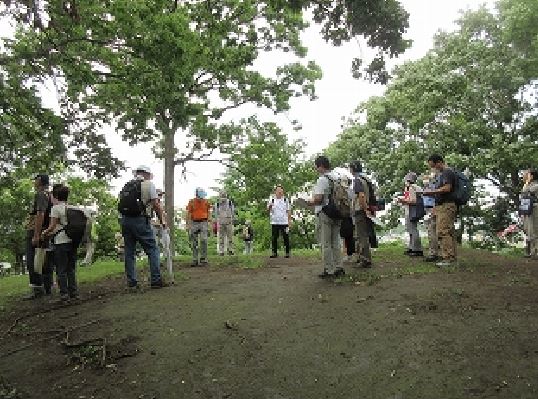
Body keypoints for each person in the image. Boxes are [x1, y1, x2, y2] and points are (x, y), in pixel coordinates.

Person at [118, 165, 166, 288]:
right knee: (152, 249)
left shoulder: (127, 185)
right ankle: (156, 280)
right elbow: (156, 204)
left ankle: (132, 283)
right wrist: (162, 221)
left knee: (129, 251)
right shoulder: (148, 184)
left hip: (125, 220)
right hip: (140, 220)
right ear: (146, 174)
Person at [307, 156, 344, 278]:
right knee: (336, 241)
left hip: (326, 213)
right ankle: (339, 267)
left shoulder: (322, 179)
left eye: (316, 166)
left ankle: (329, 269)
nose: (316, 169)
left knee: (326, 243)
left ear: (321, 166)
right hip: (338, 212)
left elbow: (319, 199)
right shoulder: (337, 178)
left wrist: (308, 202)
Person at [41, 185, 79, 303]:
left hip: (60, 241)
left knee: (61, 269)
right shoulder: (72, 207)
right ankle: (74, 293)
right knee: (71, 269)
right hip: (72, 241)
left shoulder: (55, 209)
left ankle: (64, 294)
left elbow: (52, 226)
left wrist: (44, 233)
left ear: (56, 196)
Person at [423, 154, 457, 267]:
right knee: (447, 231)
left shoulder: (447, 172)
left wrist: (430, 192)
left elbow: (447, 188)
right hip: (440, 206)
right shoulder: (442, 174)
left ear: (439, 162)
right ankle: (450, 256)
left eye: (433, 166)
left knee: (443, 231)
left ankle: (448, 259)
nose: (433, 169)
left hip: (446, 206)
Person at [23, 174, 53, 299]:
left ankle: (37, 289)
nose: (34, 182)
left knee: (32, 261)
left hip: (37, 231)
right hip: (45, 231)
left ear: (39, 181)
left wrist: (36, 235)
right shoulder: (49, 195)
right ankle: (47, 287)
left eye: (35, 180)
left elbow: (40, 214)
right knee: (43, 260)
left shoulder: (41, 194)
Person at [349, 161, 373, 268]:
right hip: (367, 209)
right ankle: (362, 257)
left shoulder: (358, 180)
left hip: (360, 210)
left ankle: (365, 259)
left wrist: (364, 208)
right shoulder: (366, 179)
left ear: (353, 169)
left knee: (361, 235)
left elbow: (361, 195)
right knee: (363, 234)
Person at [397, 172, 424, 257]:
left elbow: (413, 200)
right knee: (411, 229)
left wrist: (402, 201)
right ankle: (412, 247)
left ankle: (417, 249)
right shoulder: (415, 187)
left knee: (413, 230)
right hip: (411, 210)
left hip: (411, 211)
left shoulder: (411, 187)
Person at [186, 187, 211, 266]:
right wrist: (188, 224)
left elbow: (209, 212)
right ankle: (195, 259)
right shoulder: (192, 202)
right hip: (194, 222)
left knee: (204, 240)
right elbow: (189, 213)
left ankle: (203, 259)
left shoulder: (206, 202)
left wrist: (209, 222)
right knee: (194, 242)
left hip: (204, 222)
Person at [268, 185, 291, 258]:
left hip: (284, 222)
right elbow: (268, 210)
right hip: (274, 222)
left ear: (283, 191)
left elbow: (288, 211)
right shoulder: (272, 199)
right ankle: (274, 252)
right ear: (275, 192)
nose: (280, 192)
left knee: (286, 237)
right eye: (278, 190)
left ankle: (287, 252)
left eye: (281, 190)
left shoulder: (285, 200)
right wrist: (270, 206)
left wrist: (289, 221)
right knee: (274, 238)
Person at [423, 172, 440, 262]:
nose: (424, 181)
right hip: (427, 209)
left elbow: (435, 198)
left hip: (431, 209)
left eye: (426, 179)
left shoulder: (433, 187)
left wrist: (433, 209)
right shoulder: (427, 187)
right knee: (430, 230)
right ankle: (433, 251)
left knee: (432, 231)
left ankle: (433, 253)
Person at [521, 170, 538, 259]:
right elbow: (524, 193)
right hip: (529, 209)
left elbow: (526, 191)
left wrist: (527, 182)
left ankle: (534, 252)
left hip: (535, 208)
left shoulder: (535, 185)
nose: (525, 176)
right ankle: (531, 251)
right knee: (528, 229)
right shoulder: (529, 185)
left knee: (534, 229)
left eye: (527, 175)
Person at [215, 191, 235, 256]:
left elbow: (233, 212)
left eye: (224, 195)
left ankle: (230, 250)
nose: (223, 197)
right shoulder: (217, 204)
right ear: (220, 196)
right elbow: (216, 214)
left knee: (230, 237)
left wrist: (232, 219)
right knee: (221, 238)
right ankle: (221, 251)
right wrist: (217, 222)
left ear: (226, 196)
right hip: (221, 222)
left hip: (229, 221)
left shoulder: (229, 202)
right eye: (221, 195)